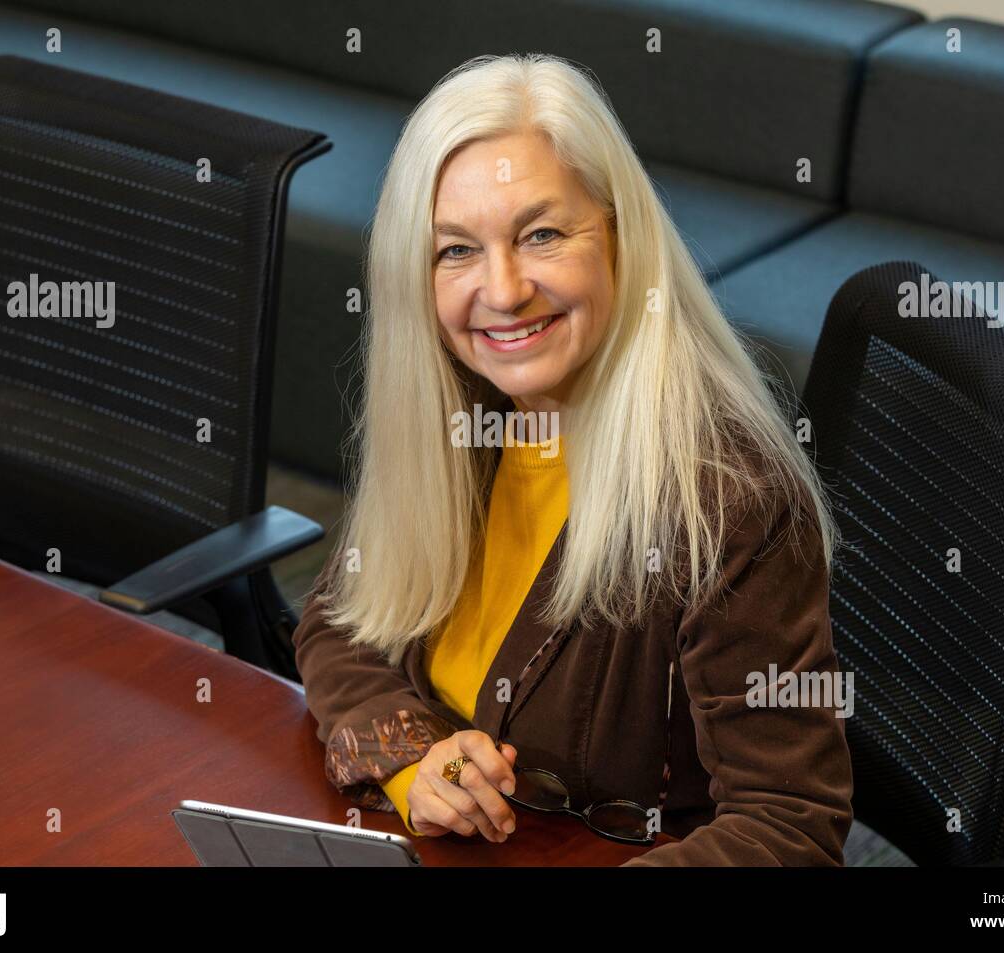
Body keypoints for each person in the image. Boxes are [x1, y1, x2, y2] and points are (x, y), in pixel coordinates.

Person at [287, 52, 854, 865]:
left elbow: (790, 827)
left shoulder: (728, 497)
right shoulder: (466, 409)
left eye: (542, 234)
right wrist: (413, 759)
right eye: (456, 250)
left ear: (622, 238)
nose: (505, 289)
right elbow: (342, 618)